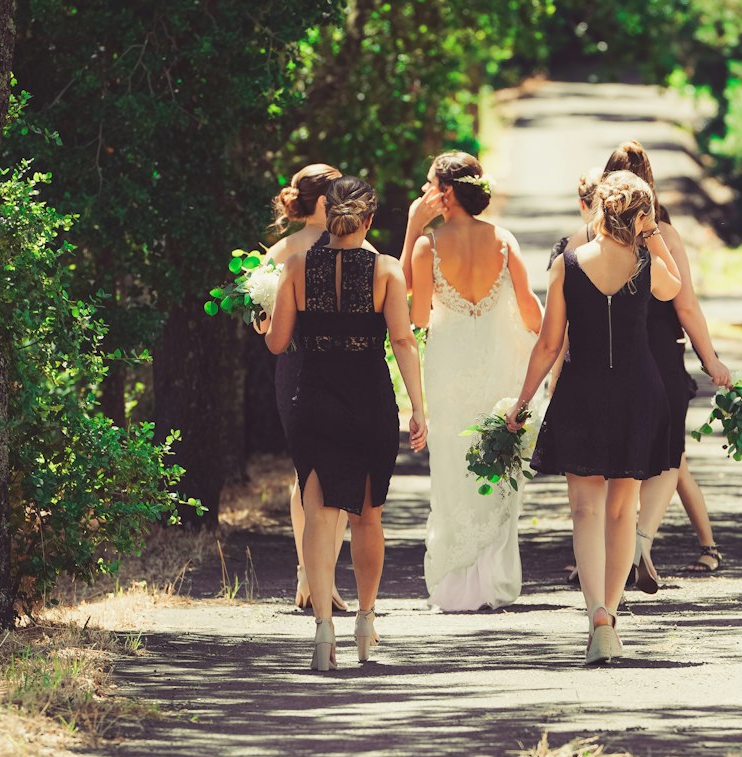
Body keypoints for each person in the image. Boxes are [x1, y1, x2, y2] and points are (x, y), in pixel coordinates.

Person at [507, 171, 682, 663]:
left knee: (584, 511)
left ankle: (597, 616)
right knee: (622, 510)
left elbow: (549, 343)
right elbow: (674, 289)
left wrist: (522, 402)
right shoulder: (647, 260)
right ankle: (613, 617)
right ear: (641, 215)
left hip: (582, 391)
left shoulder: (566, 263)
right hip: (637, 391)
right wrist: (652, 235)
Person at [266, 176, 428, 670]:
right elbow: (402, 341)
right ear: (370, 219)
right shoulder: (386, 270)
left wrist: (268, 316)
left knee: (318, 512)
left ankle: (321, 629)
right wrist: (419, 408)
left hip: (312, 397)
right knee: (367, 516)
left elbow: (276, 344)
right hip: (368, 400)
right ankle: (365, 618)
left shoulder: (295, 266)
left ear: (327, 213)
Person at [403, 151, 543, 611]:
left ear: (445, 192)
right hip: (497, 365)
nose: (424, 193)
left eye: (429, 185)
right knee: (498, 461)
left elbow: (418, 313)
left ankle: (457, 585)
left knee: (452, 469)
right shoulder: (503, 240)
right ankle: (494, 581)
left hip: (449, 368)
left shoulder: (427, 245)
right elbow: (529, 311)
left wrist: (411, 230)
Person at [599, 143, 732, 589]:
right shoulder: (665, 238)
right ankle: (639, 539)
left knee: (614, 458)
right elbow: (687, 306)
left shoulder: (587, 241)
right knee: (668, 455)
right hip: (661, 355)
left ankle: (606, 548)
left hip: (609, 357)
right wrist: (710, 358)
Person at [255, 164, 356, 612]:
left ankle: (312, 575)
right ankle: (318, 577)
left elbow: (259, 322)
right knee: (328, 471)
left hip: (306, 363)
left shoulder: (278, 252)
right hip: (317, 364)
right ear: (321, 202)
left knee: (309, 472)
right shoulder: (351, 243)